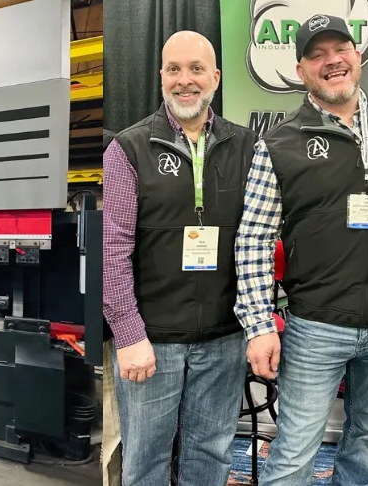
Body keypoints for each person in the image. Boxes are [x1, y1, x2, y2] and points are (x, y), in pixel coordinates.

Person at [233, 14, 368, 486]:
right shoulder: (278, 145)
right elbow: (254, 238)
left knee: (367, 445)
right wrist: (259, 325)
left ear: (357, 56)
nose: (331, 61)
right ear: (300, 71)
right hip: (315, 328)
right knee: (295, 449)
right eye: (316, 55)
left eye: (339, 49)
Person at [102, 30, 259, 486]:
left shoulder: (246, 147)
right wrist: (129, 334)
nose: (184, 80)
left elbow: (257, 240)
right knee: (146, 462)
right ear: (161, 77)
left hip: (223, 339)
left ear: (215, 77)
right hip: (152, 342)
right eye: (174, 69)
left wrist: (254, 327)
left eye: (195, 70)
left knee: (210, 457)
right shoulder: (128, 149)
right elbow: (112, 251)